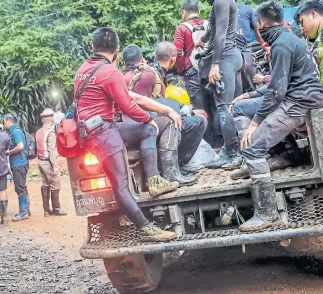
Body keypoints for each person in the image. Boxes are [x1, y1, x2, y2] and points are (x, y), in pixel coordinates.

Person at [74, 27, 178, 242]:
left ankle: (154, 180)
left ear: (93, 47)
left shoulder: (82, 70)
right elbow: (128, 106)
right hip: (103, 133)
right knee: (120, 185)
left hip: (90, 132)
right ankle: (145, 228)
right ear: (117, 51)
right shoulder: (111, 72)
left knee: (146, 130)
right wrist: (148, 118)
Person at [230, 1, 323, 231]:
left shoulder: (282, 45)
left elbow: (277, 91)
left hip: (298, 102)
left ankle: (266, 213)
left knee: (253, 148)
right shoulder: (289, 39)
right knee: (263, 122)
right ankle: (280, 157)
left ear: (261, 24)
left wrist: (255, 124)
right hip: (302, 98)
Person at [123, 43, 207, 175]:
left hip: (134, 124)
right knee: (194, 121)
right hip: (143, 123)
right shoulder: (147, 75)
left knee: (191, 117)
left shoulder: (131, 75)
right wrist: (169, 113)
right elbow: (141, 104)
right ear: (141, 60)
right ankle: (174, 168)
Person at [193, 0, 242, 169]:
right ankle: (239, 150)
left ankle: (231, 153)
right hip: (232, 57)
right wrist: (203, 39)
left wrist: (214, 65)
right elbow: (213, 27)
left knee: (224, 108)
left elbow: (221, 34)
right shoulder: (220, 0)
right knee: (235, 106)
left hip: (225, 59)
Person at [173, 0, 220, 148]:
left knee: (199, 108)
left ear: (184, 13)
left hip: (192, 71)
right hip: (210, 69)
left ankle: (206, 144)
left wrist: (180, 70)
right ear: (198, 11)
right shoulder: (209, 24)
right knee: (215, 105)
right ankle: (220, 141)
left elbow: (178, 53)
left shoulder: (182, 28)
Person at [226, 0, 268, 95]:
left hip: (245, 49)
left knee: (249, 69)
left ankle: (252, 96)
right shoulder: (221, 10)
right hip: (229, 49)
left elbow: (257, 31)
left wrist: (264, 46)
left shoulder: (247, 9)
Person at [36, 108, 67, 216]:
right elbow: (51, 150)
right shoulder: (50, 132)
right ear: (50, 119)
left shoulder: (38, 132)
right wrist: (55, 166)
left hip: (40, 161)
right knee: (56, 184)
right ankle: (56, 209)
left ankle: (46, 210)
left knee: (45, 185)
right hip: (48, 162)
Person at [3, 112, 31, 221]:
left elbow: (20, 146)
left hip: (19, 163)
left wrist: (9, 152)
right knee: (22, 186)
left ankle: (23, 212)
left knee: (20, 187)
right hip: (21, 162)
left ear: (8, 121)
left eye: (4, 121)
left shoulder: (15, 132)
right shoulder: (16, 131)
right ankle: (26, 210)